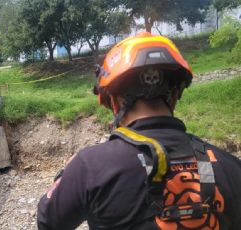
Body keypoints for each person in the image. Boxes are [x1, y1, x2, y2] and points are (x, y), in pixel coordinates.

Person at [37, 32, 241, 229]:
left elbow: (48, 222)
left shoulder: (90, 166)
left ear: (115, 101)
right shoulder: (230, 165)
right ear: (176, 94)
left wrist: (67, 174)